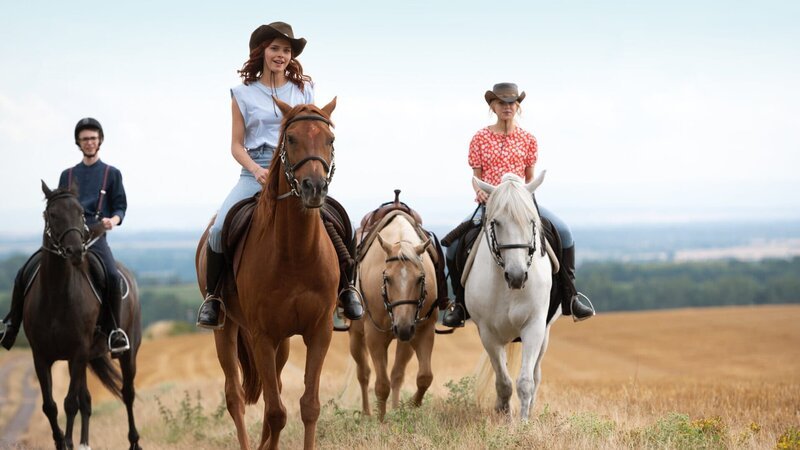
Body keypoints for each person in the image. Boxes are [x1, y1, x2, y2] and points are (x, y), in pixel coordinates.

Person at [196, 21, 363, 329]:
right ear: (261, 52)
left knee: (346, 224)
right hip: (255, 170)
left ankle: (345, 291)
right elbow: (235, 145)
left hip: (298, 170)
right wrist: (256, 170)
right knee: (219, 230)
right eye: (275, 49)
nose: (281, 55)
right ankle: (214, 298)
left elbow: (312, 130)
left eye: (286, 50)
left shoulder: (304, 89)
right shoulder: (242, 93)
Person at [441, 82, 595, 327]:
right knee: (454, 246)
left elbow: (530, 178)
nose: (507, 107)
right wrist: (480, 193)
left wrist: (526, 196)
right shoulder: (480, 138)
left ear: (518, 106)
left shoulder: (528, 139)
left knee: (564, 232)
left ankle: (570, 297)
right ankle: (459, 304)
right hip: (491, 204)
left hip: (523, 203)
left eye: (512, 102)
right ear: (493, 106)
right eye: (502, 102)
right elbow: (476, 177)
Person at [0, 117, 130, 354]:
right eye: (84, 139)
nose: (89, 142)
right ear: (78, 143)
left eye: (93, 138)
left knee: (111, 275)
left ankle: (114, 332)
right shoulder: (67, 175)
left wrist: (113, 220)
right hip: (65, 238)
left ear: (100, 140)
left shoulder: (112, 173)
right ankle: (11, 326)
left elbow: (120, 206)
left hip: (95, 236)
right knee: (24, 273)